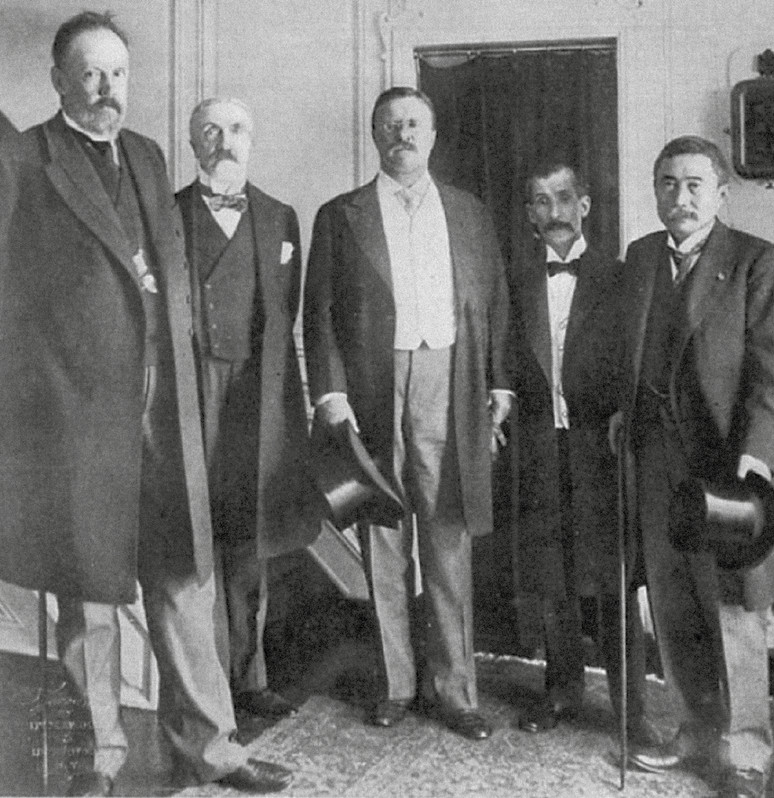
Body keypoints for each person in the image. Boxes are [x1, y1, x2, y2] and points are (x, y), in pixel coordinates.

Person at [0, 12, 291, 796]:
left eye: (118, 74)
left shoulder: (148, 154)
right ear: (58, 80)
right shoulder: (24, 158)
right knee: (90, 594)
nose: (107, 89)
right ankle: (99, 761)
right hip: (79, 412)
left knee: (184, 581)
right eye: (90, 74)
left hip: (166, 409)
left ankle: (212, 749)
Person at [303, 86, 511, 741]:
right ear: (375, 136)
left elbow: (496, 300)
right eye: (390, 125)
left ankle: (455, 690)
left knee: (448, 534)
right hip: (372, 385)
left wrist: (500, 382)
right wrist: (330, 392)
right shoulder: (340, 215)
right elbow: (319, 313)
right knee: (382, 532)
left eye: (414, 123)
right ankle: (395, 683)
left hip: (449, 380)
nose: (403, 134)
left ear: (433, 135)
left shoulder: (469, 213)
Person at [612, 136, 774, 798]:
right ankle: (694, 731)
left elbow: (769, 372)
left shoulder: (755, 261)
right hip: (656, 460)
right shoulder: (641, 256)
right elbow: (631, 350)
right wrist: (623, 412)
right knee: (674, 600)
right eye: (668, 184)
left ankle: (746, 752)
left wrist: (756, 457)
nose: (680, 197)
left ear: (721, 193)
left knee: (733, 606)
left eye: (694, 185)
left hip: (726, 462)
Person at [176, 97, 319, 721]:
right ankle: (199, 686)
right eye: (209, 130)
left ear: (251, 140)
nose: (224, 140)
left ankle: (248, 679)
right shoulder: (167, 213)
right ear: (193, 144)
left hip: (255, 396)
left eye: (236, 129)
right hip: (189, 389)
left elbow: (286, 311)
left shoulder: (280, 217)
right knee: (192, 540)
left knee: (248, 539)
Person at [508, 160, 659, 747]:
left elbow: (637, 359)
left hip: (602, 444)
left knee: (614, 578)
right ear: (529, 214)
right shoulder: (516, 280)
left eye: (564, 198)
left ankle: (630, 709)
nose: (554, 212)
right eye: (541, 201)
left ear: (586, 206)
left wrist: (623, 412)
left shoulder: (621, 277)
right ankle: (561, 689)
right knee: (553, 575)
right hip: (539, 442)